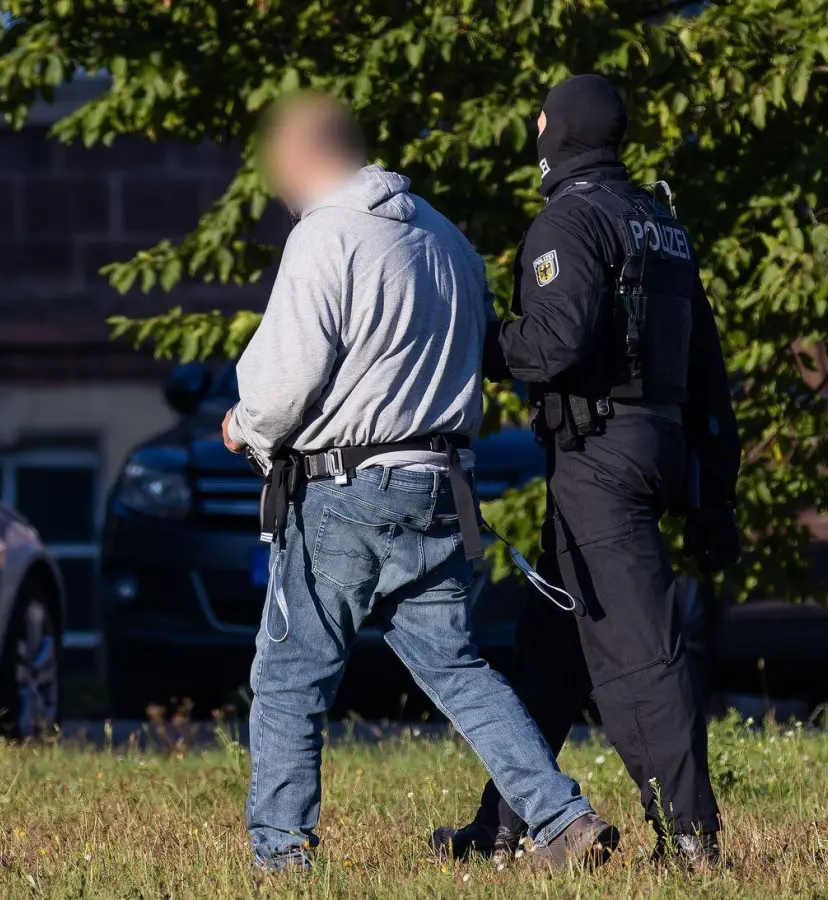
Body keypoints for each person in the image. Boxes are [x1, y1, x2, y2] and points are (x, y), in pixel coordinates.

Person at [221, 90, 619, 873]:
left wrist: (247, 426)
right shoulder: (445, 236)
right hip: (441, 486)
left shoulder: (325, 234)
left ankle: (282, 858)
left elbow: (286, 377)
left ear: (306, 156)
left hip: (346, 488)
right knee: (458, 668)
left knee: (291, 676)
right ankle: (562, 818)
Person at [431, 74, 742, 871]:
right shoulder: (658, 221)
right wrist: (716, 491)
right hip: (650, 445)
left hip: (600, 461)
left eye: (541, 122)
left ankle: (691, 839)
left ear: (562, 131)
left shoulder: (570, 219)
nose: (535, 133)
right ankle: (504, 825)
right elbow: (706, 368)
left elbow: (553, 344)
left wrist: (473, 340)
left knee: (638, 655)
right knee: (552, 653)